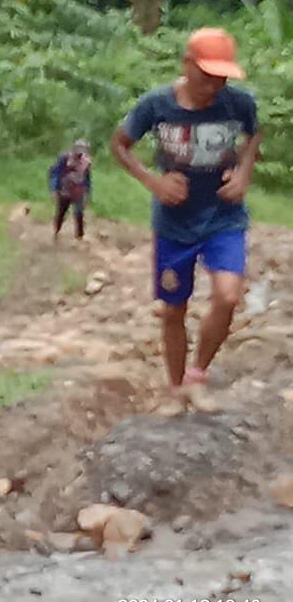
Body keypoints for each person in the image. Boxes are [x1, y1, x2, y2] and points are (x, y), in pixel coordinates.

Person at [110, 28, 261, 415]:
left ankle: (197, 377)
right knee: (174, 309)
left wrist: (244, 173)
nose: (215, 85)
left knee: (228, 295)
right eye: (207, 75)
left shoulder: (237, 104)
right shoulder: (157, 105)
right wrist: (153, 182)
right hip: (175, 222)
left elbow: (254, 134)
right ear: (187, 65)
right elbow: (119, 145)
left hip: (224, 217)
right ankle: (175, 390)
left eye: (222, 77)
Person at [50, 139, 93, 241]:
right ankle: (56, 232)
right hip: (65, 190)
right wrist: (54, 189)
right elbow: (55, 174)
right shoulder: (64, 158)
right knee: (61, 213)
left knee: (79, 214)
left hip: (78, 190)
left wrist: (87, 192)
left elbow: (87, 178)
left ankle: (79, 237)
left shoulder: (85, 162)